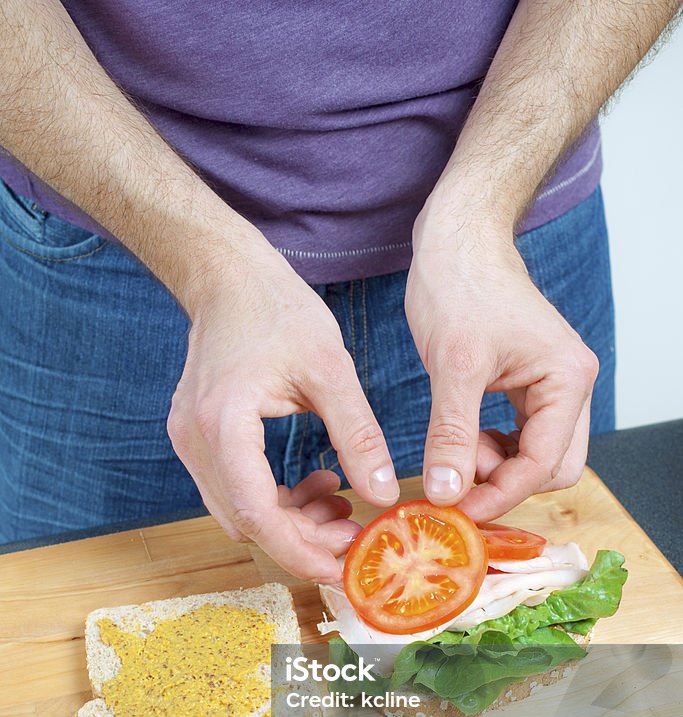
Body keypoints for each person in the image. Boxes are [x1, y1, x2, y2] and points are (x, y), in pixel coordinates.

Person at [0, 1, 679, 582]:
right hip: (104, 244)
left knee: (561, 693)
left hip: (507, 257)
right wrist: (208, 263)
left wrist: (480, 213)